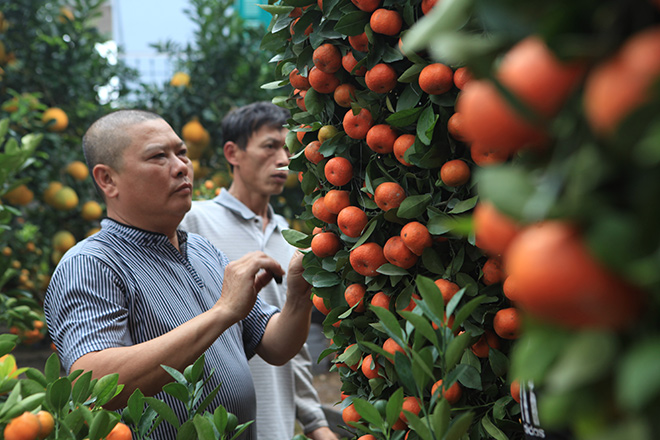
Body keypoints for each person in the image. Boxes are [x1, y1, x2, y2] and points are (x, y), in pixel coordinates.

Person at [43, 109, 314, 440]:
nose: (181, 166)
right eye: (159, 156)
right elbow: (95, 382)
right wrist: (223, 311)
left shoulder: (203, 250)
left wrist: (299, 296)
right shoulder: (91, 263)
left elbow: (275, 346)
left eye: (182, 152)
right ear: (107, 180)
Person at [180, 102, 339, 440]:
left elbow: (292, 340)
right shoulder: (193, 222)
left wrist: (315, 423)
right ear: (232, 153)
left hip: (276, 423)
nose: (283, 159)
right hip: (211, 422)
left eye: (287, 149)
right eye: (270, 147)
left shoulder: (290, 239)